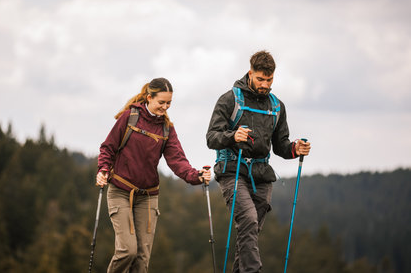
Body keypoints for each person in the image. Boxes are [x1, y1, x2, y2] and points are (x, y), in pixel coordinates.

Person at [206, 50, 311, 272]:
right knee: (249, 221)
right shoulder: (229, 99)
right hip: (232, 170)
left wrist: (296, 148)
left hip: (262, 175)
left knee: (249, 232)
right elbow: (211, 138)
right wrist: (232, 136)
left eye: (269, 79)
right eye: (260, 79)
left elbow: (282, 146)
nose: (265, 84)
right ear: (250, 73)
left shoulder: (277, 106)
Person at [96, 77, 211, 273]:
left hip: (148, 197)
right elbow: (108, 147)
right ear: (149, 97)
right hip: (120, 192)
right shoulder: (130, 117)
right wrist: (103, 170)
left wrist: (196, 175)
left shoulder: (167, 128)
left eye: (169, 103)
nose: (165, 107)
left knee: (142, 260)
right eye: (161, 102)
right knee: (127, 251)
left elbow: (178, 161)